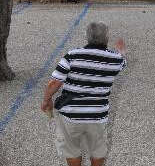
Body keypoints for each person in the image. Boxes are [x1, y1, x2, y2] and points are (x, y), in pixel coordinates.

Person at [41, 22, 126, 166]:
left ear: (87, 37)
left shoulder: (72, 55)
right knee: (98, 151)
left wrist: (46, 100)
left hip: (70, 115)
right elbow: (123, 61)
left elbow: (54, 83)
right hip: (97, 116)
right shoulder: (115, 59)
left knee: (72, 151)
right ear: (106, 38)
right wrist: (121, 51)